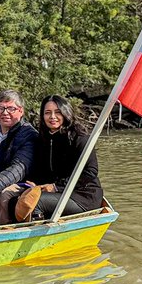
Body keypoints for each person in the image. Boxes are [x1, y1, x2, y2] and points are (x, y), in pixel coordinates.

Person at [14, 94, 105, 222]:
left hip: (83, 196)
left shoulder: (80, 138)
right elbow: (43, 170)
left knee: (36, 203)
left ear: (65, 113)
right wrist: (35, 183)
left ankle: (35, 239)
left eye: (57, 112)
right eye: (47, 113)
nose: (52, 117)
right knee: (17, 199)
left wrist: (56, 187)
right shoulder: (42, 139)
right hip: (56, 193)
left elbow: (90, 172)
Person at [0, 89, 37, 226]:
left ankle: (4, 231)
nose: (5, 113)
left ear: (21, 111)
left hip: (20, 183)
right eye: (0, 108)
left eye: (11, 108)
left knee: (3, 195)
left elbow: (19, 168)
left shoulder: (29, 134)